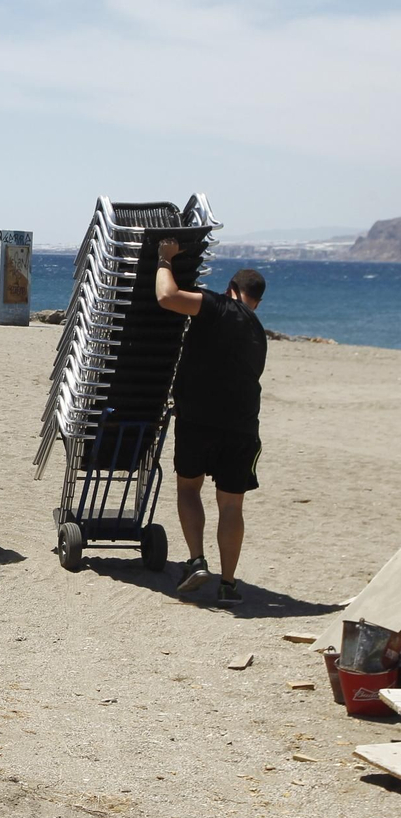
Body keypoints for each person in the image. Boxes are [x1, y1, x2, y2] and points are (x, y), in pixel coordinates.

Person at [154, 238, 267, 606]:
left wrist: (164, 259)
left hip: (199, 419)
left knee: (189, 488)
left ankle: (197, 560)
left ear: (231, 289)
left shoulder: (217, 305)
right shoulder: (257, 330)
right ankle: (229, 584)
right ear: (258, 300)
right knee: (231, 506)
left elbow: (167, 297)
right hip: (243, 426)